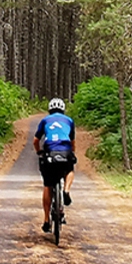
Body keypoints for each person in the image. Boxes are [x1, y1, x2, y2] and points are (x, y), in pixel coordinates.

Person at [35, 97, 76, 233]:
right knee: (69, 170)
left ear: (49, 110)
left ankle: (46, 220)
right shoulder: (69, 121)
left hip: (50, 153)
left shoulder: (45, 120)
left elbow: (36, 140)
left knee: (48, 184)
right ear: (63, 110)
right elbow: (72, 141)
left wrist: (39, 152)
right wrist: (72, 153)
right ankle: (66, 190)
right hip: (65, 151)